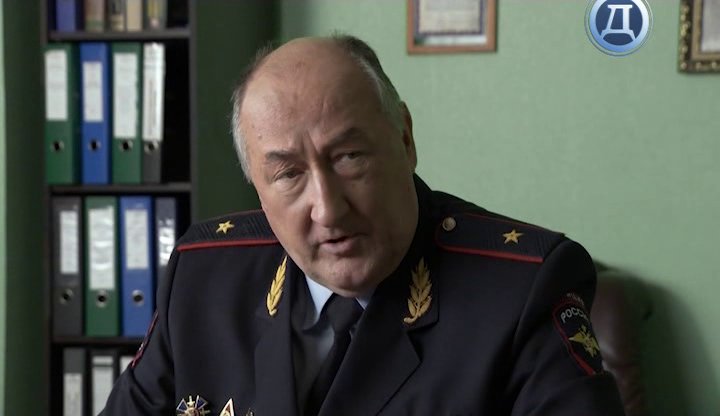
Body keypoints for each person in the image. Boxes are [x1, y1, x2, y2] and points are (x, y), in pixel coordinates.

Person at [102, 35, 626, 416]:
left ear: (405, 139)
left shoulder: (522, 290)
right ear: (256, 188)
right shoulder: (203, 276)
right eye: (288, 174)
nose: (328, 209)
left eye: (349, 157)